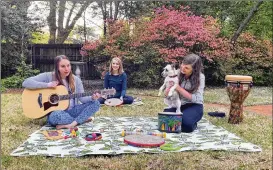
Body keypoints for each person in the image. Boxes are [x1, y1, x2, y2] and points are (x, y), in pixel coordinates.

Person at [22, 55, 101, 129]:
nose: (67, 69)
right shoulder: (48, 76)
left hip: (73, 111)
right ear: (57, 68)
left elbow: (82, 99)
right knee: (55, 116)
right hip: (57, 113)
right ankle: (81, 119)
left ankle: (72, 124)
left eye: (68, 65)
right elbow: (26, 82)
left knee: (96, 103)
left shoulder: (76, 80)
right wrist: (48, 85)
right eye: (63, 66)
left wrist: (92, 97)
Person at [163, 53, 205, 133]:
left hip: (194, 105)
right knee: (165, 121)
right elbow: (166, 94)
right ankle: (183, 118)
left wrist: (178, 87)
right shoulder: (176, 73)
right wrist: (168, 89)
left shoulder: (200, 77)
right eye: (182, 64)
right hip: (178, 104)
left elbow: (196, 98)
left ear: (194, 69)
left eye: (187, 68)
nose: (182, 68)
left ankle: (192, 123)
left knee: (186, 126)